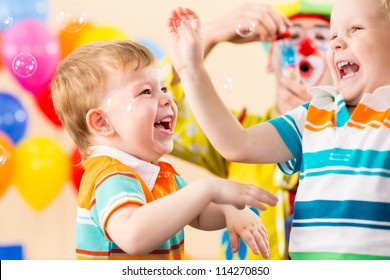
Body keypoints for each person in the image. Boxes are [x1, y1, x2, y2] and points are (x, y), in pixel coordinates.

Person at [168, 0, 390, 260]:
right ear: (270, 60)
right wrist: (192, 62)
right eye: (332, 36)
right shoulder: (306, 119)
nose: (335, 43)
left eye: (355, 29)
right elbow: (233, 142)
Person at [50, 39, 278, 260]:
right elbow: (133, 236)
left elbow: (198, 213)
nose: (167, 99)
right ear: (102, 122)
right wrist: (208, 188)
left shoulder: (158, 172)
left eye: (164, 88)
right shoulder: (109, 175)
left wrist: (230, 210)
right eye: (146, 92)